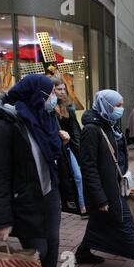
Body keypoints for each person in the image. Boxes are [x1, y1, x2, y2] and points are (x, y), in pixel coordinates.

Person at [75, 90, 134, 267]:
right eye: (117, 105)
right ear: (106, 106)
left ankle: (83, 252)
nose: (121, 109)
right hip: (106, 189)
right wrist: (100, 198)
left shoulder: (110, 124)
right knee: (125, 223)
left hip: (116, 183)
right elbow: (88, 167)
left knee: (97, 222)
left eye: (122, 105)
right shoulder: (92, 130)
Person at [0, 74, 69, 267]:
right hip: (26, 200)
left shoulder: (45, 118)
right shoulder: (5, 126)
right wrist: (1, 221)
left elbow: (48, 157)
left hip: (49, 193)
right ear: (36, 95)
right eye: (51, 93)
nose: (55, 97)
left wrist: (61, 142)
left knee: (53, 245)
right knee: (39, 251)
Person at [50, 77, 87, 217]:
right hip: (54, 149)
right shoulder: (47, 109)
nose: (62, 92)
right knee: (58, 179)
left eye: (64, 89)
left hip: (67, 148)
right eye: (59, 89)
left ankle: (82, 205)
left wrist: (78, 149)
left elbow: (75, 131)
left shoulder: (68, 108)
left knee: (77, 176)